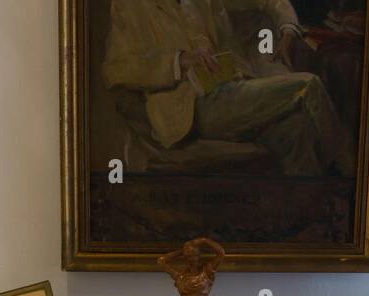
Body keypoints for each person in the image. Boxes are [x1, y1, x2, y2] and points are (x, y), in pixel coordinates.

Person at [102, 0, 348, 176]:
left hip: (231, 92)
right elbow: (117, 69)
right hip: (190, 108)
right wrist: (179, 59)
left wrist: (288, 31)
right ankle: (349, 174)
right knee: (308, 85)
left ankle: (308, 217)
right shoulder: (129, 5)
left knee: (296, 130)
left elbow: (268, 1)